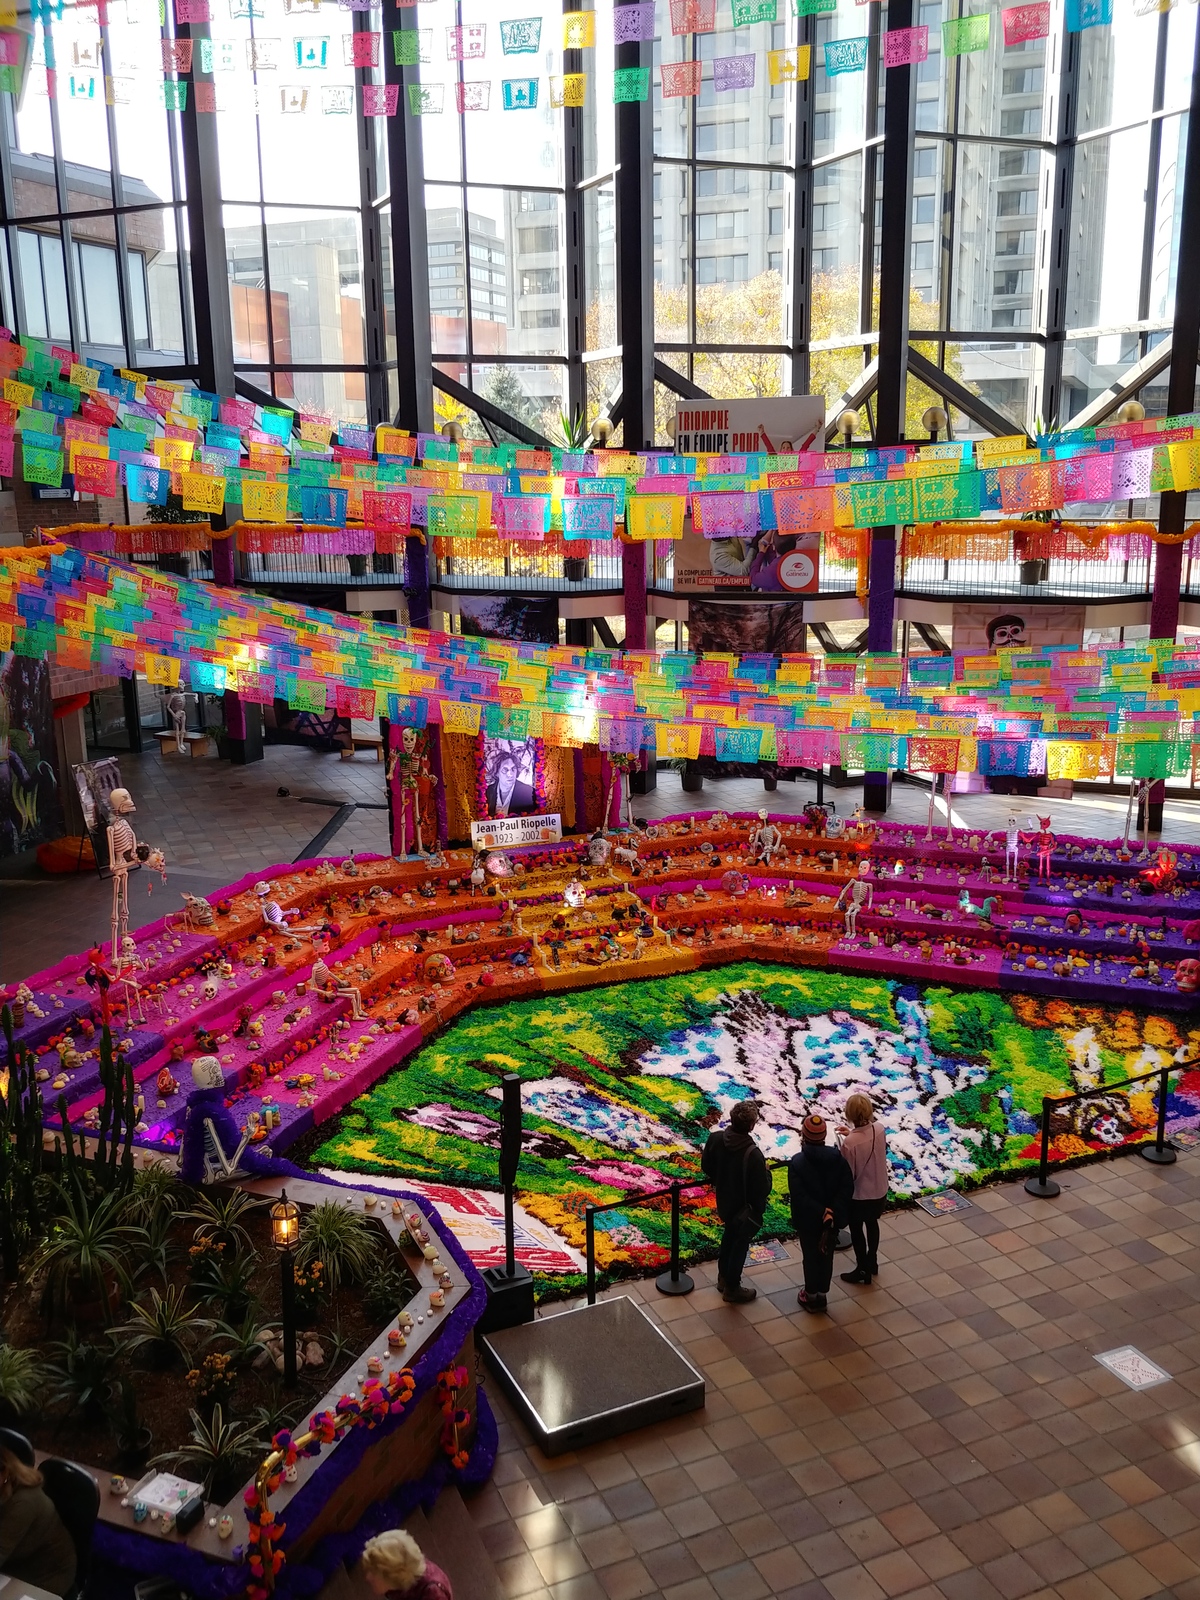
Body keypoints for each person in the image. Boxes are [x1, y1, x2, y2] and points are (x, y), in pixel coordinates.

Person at [701, 1099, 772, 1304]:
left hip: (724, 1202)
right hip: (745, 1210)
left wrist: (720, 1178)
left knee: (728, 1238)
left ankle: (723, 1278)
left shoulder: (715, 1139)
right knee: (739, 1244)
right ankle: (732, 1287)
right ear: (751, 1125)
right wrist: (767, 1174)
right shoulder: (753, 1154)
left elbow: (707, 1166)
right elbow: (762, 1189)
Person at [787, 1113, 853, 1313]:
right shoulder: (838, 1159)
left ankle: (811, 1294)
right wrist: (831, 1211)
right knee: (827, 1255)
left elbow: (799, 1195)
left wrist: (821, 1211)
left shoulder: (798, 1162)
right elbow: (846, 1187)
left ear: (803, 1136)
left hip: (808, 1220)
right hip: (831, 1221)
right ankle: (822, 1294)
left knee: (810, 1256)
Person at [0, 1447, 77, 1598]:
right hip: (14, 1567)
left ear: (3, 1474)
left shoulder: (24, 1502)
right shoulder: (5, 1488)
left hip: (45, 1578)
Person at [838, 1094, 888, 1284]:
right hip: (880, 1189)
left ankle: (861, 1268)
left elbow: (847, 1174)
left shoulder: (850, 1144)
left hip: (860, 1195)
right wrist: (851, 1133)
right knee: (873, 1224)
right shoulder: (880, 1129)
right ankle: (872, 1260)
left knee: (857, 1229)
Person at [361, 1528, 452, 1600]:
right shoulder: (398, 1581)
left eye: (374, 1572)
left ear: (393, 1575)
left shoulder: (434, 1594)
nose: (368, 1577)